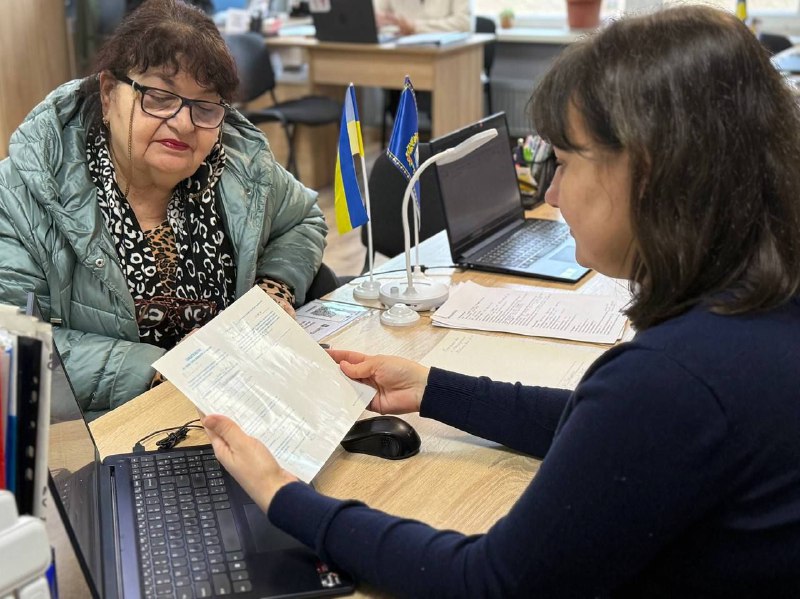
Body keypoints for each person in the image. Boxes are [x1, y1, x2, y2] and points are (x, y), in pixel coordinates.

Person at [203, 6, 800, 597]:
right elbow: (605, 428)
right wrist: (434, 387)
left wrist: (284, 495)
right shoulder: (757, 308)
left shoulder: (676, 378)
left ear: (650, 170)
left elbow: (489, 581)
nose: (555, 192)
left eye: (563, 163)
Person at [0, 0, 327, 416]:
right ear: (106, 94)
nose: (184, 123)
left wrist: (273, 291)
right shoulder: (22, 191)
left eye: (205, 106)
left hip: (240, 406)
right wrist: (161, 371)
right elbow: (14, 343)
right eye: (158, 97)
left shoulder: (241, 167)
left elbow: (302, 220)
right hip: (104, 429)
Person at [374, 0, 473, 36]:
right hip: (402, 57)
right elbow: (376, 18)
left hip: (448, 60)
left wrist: (415, 27)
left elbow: (464, 23)